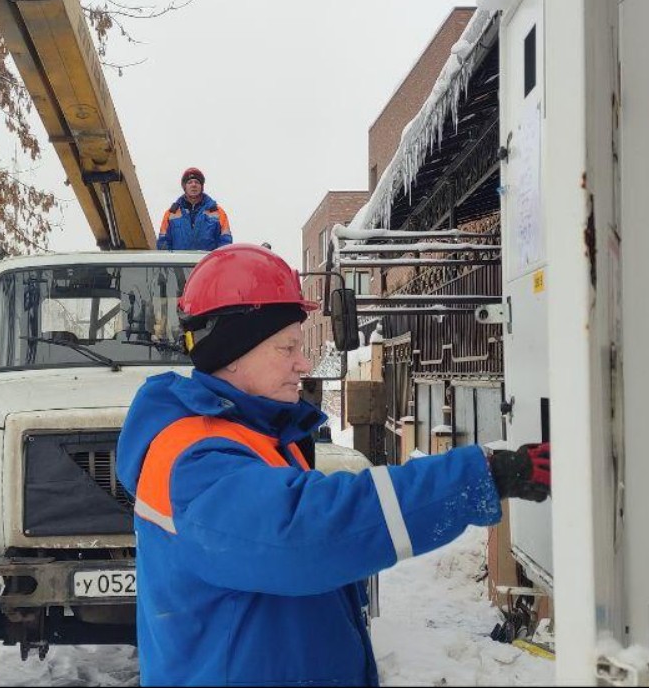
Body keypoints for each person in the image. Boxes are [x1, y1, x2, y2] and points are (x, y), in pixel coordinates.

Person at [115, 244, 551, 686]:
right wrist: (479, 477)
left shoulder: (249, 433)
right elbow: (305, 534)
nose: (302, 363)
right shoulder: (197, 459)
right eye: (287, 347)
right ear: (231, 353)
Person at [156, 167, 232, 251]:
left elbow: (225, 243)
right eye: (189, 182)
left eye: (197, 182)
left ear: (202, 186)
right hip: (179, 263)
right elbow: (163, 243)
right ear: (184, 187)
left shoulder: (217, 212)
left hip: (207, 263)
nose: (193, 185)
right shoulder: (171, 214)